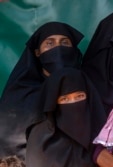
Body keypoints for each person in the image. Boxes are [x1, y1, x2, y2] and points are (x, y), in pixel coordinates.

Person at [0, 22, 84, 158]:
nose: (58, 48)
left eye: (64, 43)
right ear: (37, 52)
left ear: (73, 50)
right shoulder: (22, 95)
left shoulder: (87, 89)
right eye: (50, 43)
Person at [25, 68, 106, 167]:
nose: (73, 104)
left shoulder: (101, 136)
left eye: (79, 96)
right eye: (64, 99)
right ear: (53, 104)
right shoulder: (41, 144)